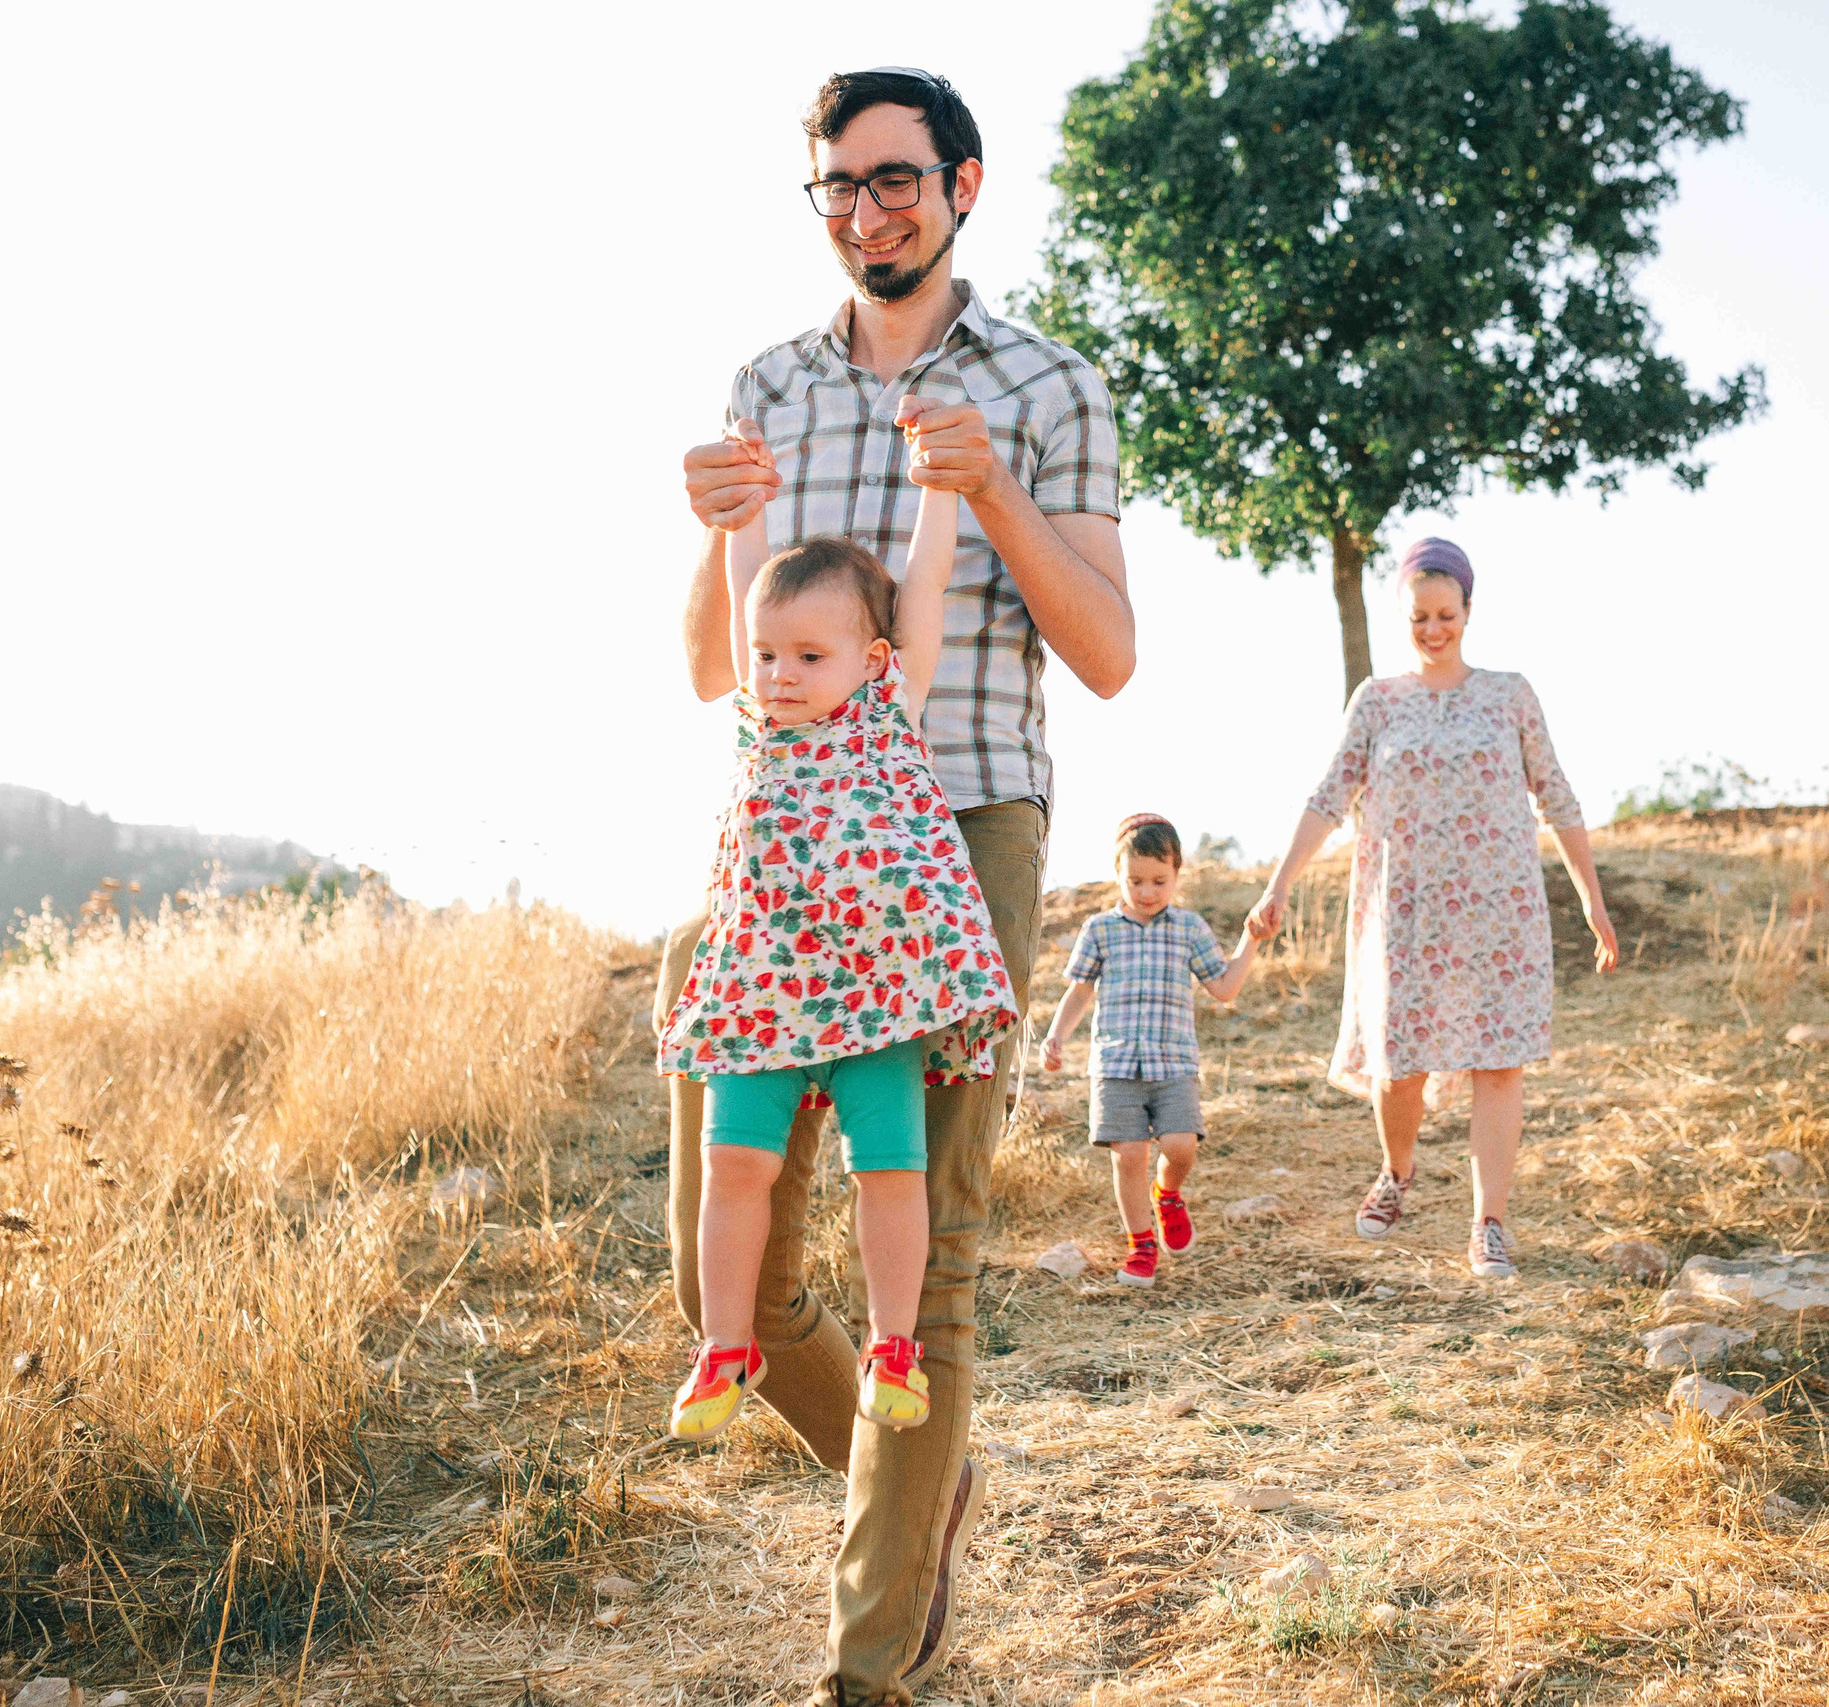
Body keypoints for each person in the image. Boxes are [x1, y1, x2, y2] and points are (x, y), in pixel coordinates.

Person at [665, 66, 1132, 1701]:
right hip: (787, 853)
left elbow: (1113, 656)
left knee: (923, 1259)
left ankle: (866, 1672)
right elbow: (715, 662)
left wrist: (988, 488)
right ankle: (923, 1473)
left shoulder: (1052, 385)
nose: (870, 210)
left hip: (962, 834)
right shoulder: (762, 387)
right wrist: (703, 533)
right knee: (718, 1255)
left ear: (965, 184)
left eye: (898, 180)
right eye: (840, 187)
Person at [660, 473, 1017, 1444]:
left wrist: (941, 494)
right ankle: (726, 1346)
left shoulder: (884, 713)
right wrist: (743, 513)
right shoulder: (759, 730)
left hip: (878, 993)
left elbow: (926, 579)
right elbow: (747, 583)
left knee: (889, 1169)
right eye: (768, 653)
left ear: (871, 659)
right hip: (761, 988)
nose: (778, 672)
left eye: (809, 655)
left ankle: (890, 1346)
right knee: (734, 1162)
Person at [1249, 538, 1618, 1281]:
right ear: (1403, 615)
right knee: (1399, 1068)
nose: (1433, 628)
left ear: (1469, 611)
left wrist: (1591, 899)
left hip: (1499, 910)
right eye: (1419, 615)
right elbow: (1328, 796)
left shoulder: (1510, 693)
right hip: (1406, 912)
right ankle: (1398, 1169)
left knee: (1499, 1062)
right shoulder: (1377, 702)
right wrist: (1279, 882)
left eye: (1446, 614)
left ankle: (1489, 1225)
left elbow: (1558, 794)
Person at [1041, 814, 1260, 1287]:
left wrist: (1252, 941)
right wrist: (1057, 1035)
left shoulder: (1189, 928)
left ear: (1178, 875)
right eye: (1135, 881)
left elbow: (1223, 987)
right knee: (1128, 1154)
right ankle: (1141, 1245)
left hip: (1173, 1063)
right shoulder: (1100, 929)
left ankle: (1169, 1194)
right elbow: (1079, 992)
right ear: (1117, 875)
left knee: (1180, 1146)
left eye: (1159, 881)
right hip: (1115, 1065)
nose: (1146, 892)